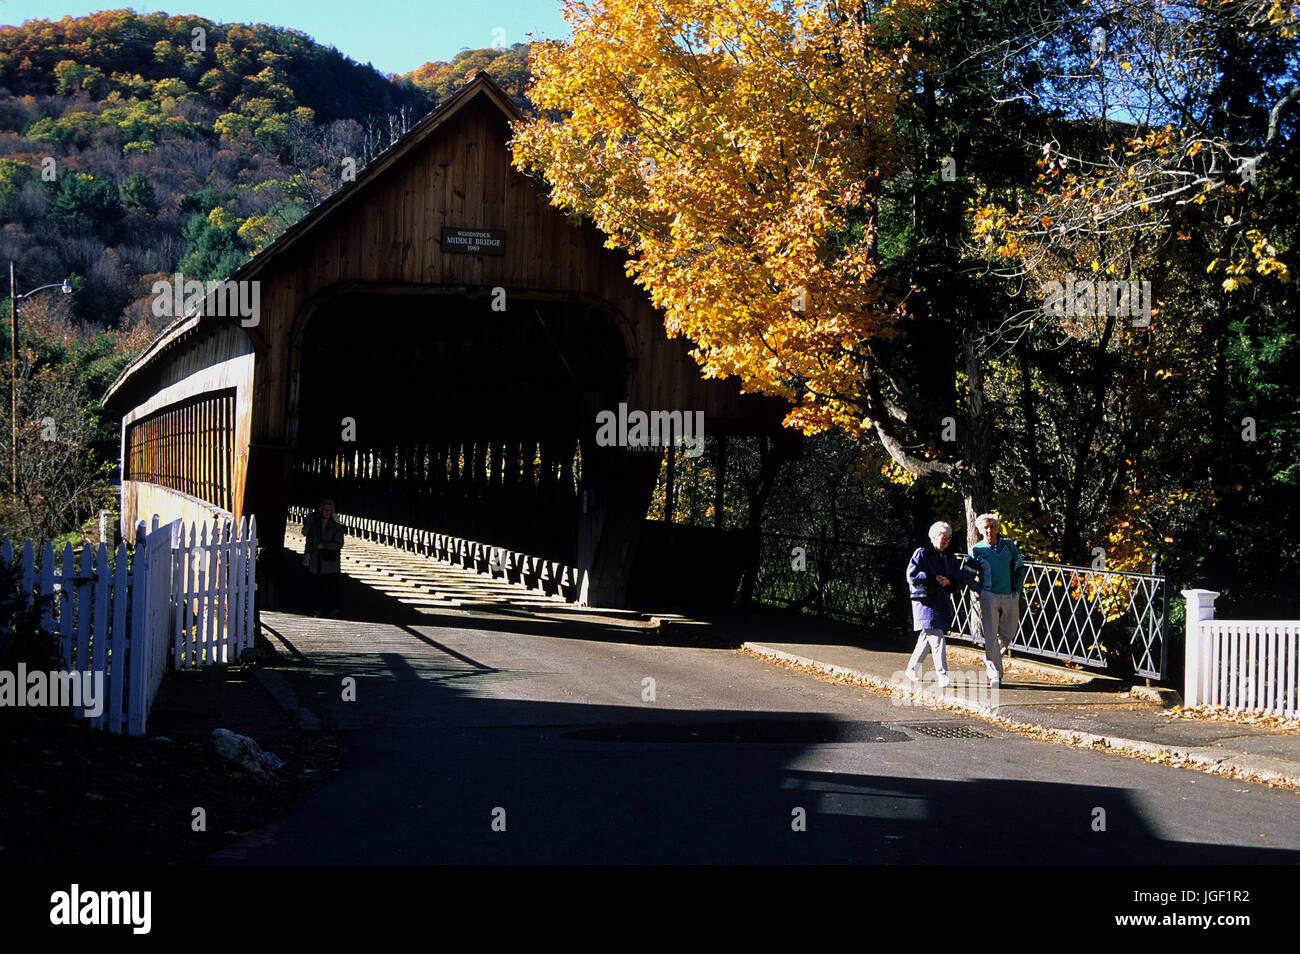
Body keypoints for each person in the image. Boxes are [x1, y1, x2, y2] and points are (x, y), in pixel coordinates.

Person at [905, 521, 968, 689]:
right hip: (925, 601)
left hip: (940, 602)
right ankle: (942, 675)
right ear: (933, 537)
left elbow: (958, 581)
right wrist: (932, 577)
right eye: (942, 537)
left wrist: (949, 582)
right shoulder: (922, 553)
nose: (945, 541)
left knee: (927, 637)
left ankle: (912, 668)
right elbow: (911, 575)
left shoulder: (950, 557)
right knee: (937, 637)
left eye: (948, 538)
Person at [968, 513, 1026, 687]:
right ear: (979, 530)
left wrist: (1018, 589)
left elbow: (1019, 568)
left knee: (1009, 633)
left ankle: (991, 659)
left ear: (997, 527)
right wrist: (980, 591)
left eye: (991, 526)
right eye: (985, 527)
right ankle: (995, 673)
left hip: (1010, 595)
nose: (989, 530)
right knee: (991, 635)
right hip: (989, 596)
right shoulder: (977, 550)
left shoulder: (1008, 545)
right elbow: (968, 575)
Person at [302, 499, 345, 616]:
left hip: (330, 562)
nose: (326, 512)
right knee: (316, 586)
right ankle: (318, 609)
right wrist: (307, 555)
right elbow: (308, 540)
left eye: (329, 510)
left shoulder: (336, 527)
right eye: (325, 510)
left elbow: (339, 544)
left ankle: (331, 609)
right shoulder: (314, 525)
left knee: (330, 587)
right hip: (316, 561)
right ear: (321, 510)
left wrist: (325, 545)